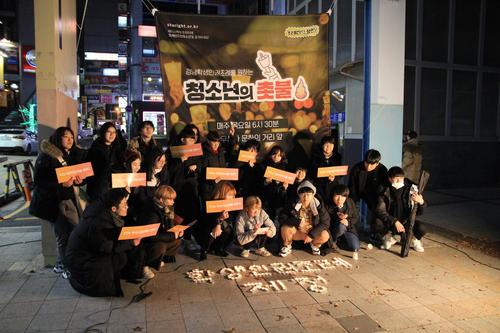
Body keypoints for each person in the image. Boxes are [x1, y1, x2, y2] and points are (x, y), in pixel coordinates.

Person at [29, 127, 86, 277]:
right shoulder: (46, 156)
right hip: (52, 202)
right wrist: (61, 185)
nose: (70, 140)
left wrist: (78, 181)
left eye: (71, 137)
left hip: (67, 199)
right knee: (62, 234)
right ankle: (64, 267)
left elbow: (71, 178)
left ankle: (62, 263)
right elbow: (39, 182)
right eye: (65, 137)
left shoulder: (67, 155)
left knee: (74, 231)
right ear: (57, 138)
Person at [65, 189, 141, 297]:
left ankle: (107, 280)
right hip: (81, 262)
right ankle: (96, 286)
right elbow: (107, 248)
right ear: (113, 208)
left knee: (121, 257)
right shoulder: (99, 223)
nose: (127, 207)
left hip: (88, 255)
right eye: (124, 204)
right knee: (110, 260)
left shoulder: (105, 214)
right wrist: (131, 243)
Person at [374, 166, 426, 252]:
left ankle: (414, 239)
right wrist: (394, 221)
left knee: (422, 228)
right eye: (396, 179)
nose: (399, 181)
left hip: (407, 221)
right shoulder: (383, 189)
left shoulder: (412, 188)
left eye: (401, 179)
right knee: (377, 222)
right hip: (390, 221)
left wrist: (421, 202)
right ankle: (389, 237)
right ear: (390, 179)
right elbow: (380, 210)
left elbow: (420, 212)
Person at [137, 185, 183, 279]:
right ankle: (145, 265)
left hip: (158, 236)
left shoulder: (167, 208)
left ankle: (156, 260)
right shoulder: (152, 213)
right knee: (160, 247)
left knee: (177, 241)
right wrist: (172, 236)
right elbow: (150, 236)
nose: (173, 202)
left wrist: (176, 231)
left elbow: (169, 227)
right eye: (170, 199)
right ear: (161, 200)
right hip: (145, 242)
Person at [279, 181, 330, 257]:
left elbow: (325, 222)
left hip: (312, 232)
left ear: (313, 195)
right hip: (297, 232)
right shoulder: (293, 203)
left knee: (325, 235)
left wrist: (312, 235)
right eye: (303, 195)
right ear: (299, 195)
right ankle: (287, 246)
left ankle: (314, 245)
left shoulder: (319, 205)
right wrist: (297, 222)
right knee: (285, 228)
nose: (305, 198)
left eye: (308, 195)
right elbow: (282, 218)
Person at [195, 181, 238, 261]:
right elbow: (207, 221)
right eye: (230, 195)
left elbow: (229, 220)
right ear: (222, 193)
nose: (233, 198)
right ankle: (204, 250)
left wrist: (222, 220)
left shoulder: (230, 205)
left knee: (230, 231)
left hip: (219, 227)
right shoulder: (211, 204)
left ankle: (218, 248)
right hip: (205, 230)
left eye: (234, 195)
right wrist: (218, 223)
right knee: (213, 231)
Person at [86, 122, 123, 201]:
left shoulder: (117, 148)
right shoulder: (95, 149)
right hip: (99, 188)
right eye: (109, 132)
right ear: (103, 133)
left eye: (114, 132)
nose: (111, 135)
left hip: (115, 186)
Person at [327, 184, 360, 260]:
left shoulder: (350, 202)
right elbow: (327, 221)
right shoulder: (328, 205)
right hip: (334, 228)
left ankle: (342, 240)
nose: (339, 199)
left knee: (355, 247)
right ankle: (333, 241)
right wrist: (339, 218)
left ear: (346, 197)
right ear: (332, 196)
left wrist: (348, 221)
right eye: (337, 196)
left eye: (342, 196)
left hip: (348, 228)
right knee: (341, 227)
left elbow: (356, 217)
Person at [310, 135, 342, 203]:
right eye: (326, 145)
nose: (329, 147)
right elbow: (312, 172)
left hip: (333, 186)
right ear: (322, 145)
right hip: (319, 186)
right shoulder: (315, 156)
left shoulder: (338, 157)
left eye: (331, 145)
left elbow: (341, 172)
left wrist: (334, 178)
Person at [261, 145, 289, 221]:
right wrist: (265, 182)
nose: (276, 157)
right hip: (266, 198)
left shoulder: (285, 167)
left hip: (279, 199)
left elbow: (288, 182)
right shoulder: (263, 166)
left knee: (277, 220)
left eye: (279, 155)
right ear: (270, 154)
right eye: (274, 154)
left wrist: (285, 187)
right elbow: (257, 183)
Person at [200, 131, 227, 200]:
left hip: (221, 187)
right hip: (209, 188)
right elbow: (201, 172)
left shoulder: (221, 151)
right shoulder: (203, 153)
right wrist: (213, 181)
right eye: (214, 142)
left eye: (218, 142)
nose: (216, 145)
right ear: (208, 141)